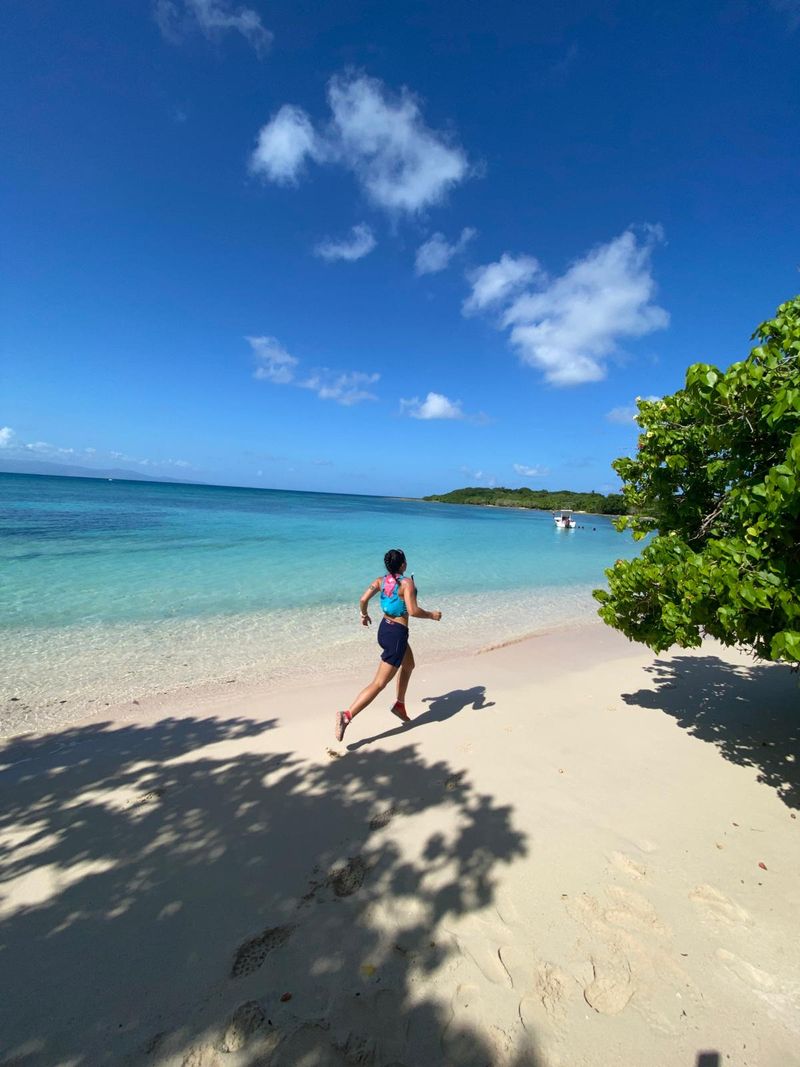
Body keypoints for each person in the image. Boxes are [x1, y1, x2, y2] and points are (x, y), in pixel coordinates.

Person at [335, 548, 442, 742]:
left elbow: (363, 599)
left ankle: (399, 705)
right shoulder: (407, 583)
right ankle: (347, 715)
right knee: (379, 683)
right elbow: (413, 610)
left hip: (384, 629)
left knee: (409, 664)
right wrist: (432, 615)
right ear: (403, 565)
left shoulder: (380, 580)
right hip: (397, 636)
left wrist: (363, 614)